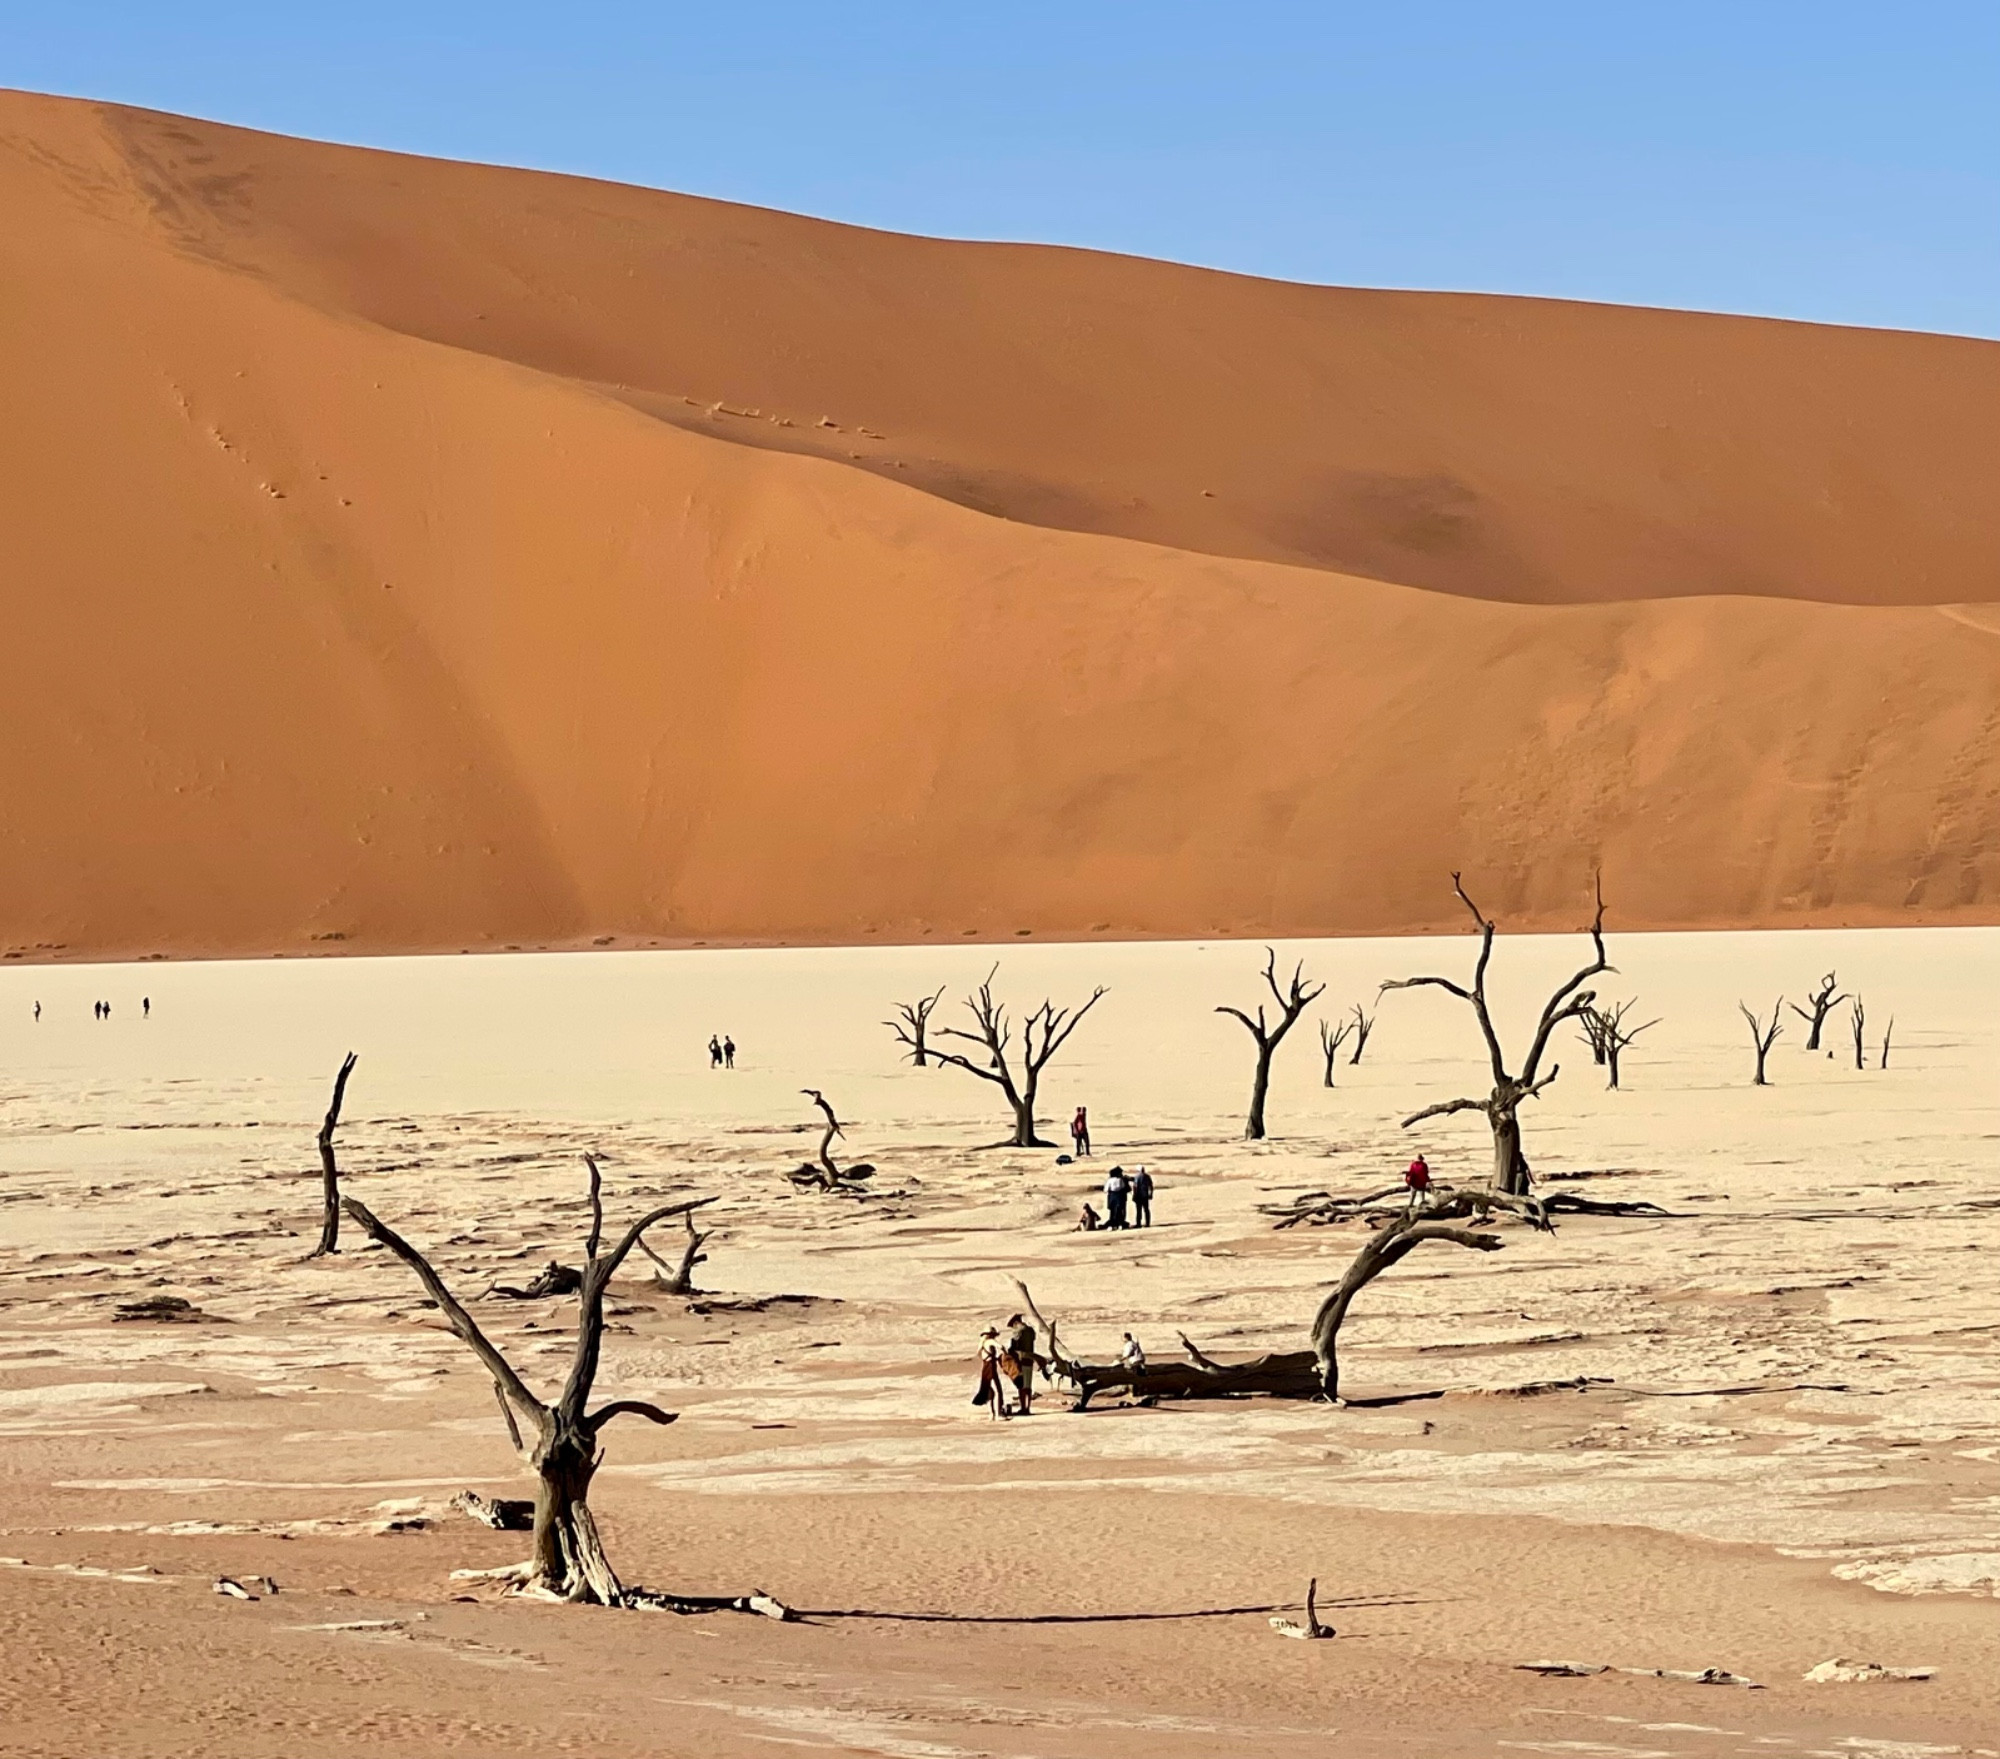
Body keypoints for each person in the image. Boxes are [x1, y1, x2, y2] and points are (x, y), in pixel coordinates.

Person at [1004, 1312, 1038, 1415]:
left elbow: (1014, 1346)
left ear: (1015, 1323)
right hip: (1030, 1359)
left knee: (1021, 1386)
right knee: (1028, 1385)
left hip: (1021, 1359)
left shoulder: (1018, 1331)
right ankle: (1027, 1407)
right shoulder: (1030, 1330)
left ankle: (1024, 1408)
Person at [974, 1326, 1008, 1420]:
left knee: (989, 1391)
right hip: (991, 1367)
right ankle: (998, 1414)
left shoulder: (982, 1344)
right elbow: (1001, 1346)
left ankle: (991, 1414)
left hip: (985, 1366)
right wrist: (1006, 1354)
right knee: (997, 1391)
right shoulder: (990, 1341)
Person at [1103, 1165, 1129, 1229]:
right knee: (1119, 1211)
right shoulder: (1120, 1180)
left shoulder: (1110, 1180)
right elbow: (1123, 1187)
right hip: (1119, 1196)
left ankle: (1111, 1225)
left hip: (1112, 1196)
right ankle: (1120, 1225)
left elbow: (1105, 1190)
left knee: (1112, 1212)